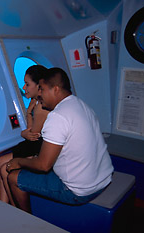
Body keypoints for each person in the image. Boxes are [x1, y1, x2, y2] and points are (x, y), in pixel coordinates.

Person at [6, 67, 114, 213]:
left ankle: (26, 220)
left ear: (55, 89)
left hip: (80, 190)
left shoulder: (58, 116)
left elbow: (43, 165)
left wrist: (17, 162)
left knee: (13, 178)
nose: (40, 94)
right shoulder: (80, 104)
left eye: (42, 89)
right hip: (104, 178)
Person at [0, 65, 49, 204]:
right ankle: (3, 206)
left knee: (4, 168)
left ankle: (14, 209)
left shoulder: (40, 107)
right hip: (37, 145)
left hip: (41, 148)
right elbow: (32, 133)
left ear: (39, 86)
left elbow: (32, 134)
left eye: (27, 84)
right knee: (1, 161)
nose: (24, 88)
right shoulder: (36, 102)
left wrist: (28, 115)